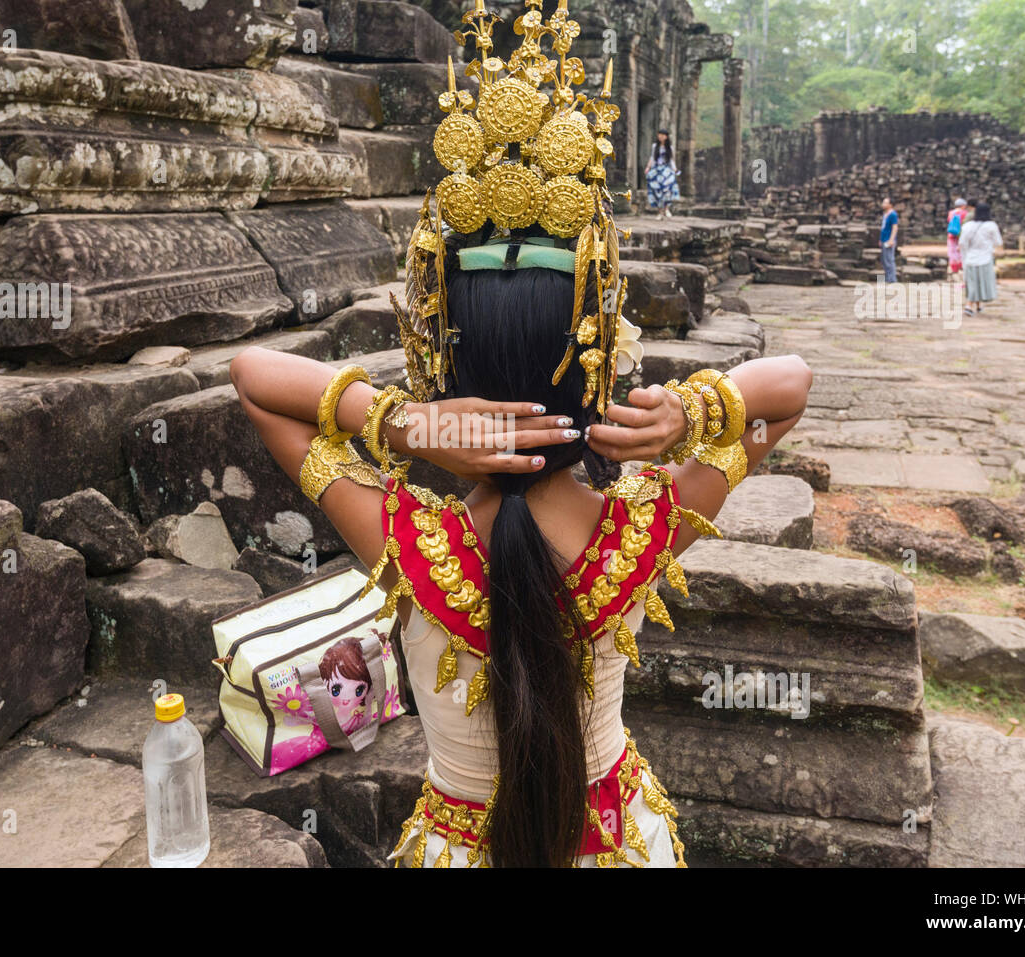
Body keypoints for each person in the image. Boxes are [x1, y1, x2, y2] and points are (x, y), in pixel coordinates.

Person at [229, 6, 813, 868]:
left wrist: (400, 421)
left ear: (436, 363)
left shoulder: (405, 538)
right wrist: (691, 411)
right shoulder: (644, 530)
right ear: (600, 365)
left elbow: (254, 381)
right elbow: (788, 388)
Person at [959, 201, 1003, 315]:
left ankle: (978, 305)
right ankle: (968, 305)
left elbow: (962, 243)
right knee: (981, 283)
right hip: (985, 258)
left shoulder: (967, 226)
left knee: (973, 283)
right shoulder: (991, 226)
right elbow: (998, 242)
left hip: (970, 258)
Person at [644, 130, 679, 219]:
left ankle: (666, 209)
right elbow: (652, 157)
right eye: (659, 135)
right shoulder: (655, 146)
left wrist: (675, 169)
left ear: (666, 137)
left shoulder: (669, 148)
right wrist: (648, 167)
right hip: (657, 169)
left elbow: (671, 160)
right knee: (656, 189)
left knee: (667, 189)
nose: (660, 136)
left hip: (666, 169)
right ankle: (660, 212)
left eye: (662, 135)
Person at [879, 197, 899, 283]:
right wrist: (880, 239)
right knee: (884, 260)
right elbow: (883, 228)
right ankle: (887, 278)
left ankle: (892, 279)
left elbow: (895, 228)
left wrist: (891, 240)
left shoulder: (893, 215)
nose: (883, 204)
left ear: (890, 205)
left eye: (885, 203)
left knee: (890, 260)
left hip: (889, 240)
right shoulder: (885, 214)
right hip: (884, 239)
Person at [946, 197, 966, 281]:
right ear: (962, 205)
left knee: (952, 250)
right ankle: (960, 266)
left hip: (951, 235)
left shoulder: (951, 213)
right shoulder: (964, 213)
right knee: (960, 250)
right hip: (961, 234)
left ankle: (953, 266)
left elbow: (949, 221)